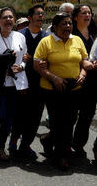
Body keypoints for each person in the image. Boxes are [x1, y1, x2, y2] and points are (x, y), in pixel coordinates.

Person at [34, 12, 90, 170]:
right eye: (64, 24)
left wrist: (83, 74)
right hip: (52, 89)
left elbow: (84, 60)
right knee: (58, 123)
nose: (67, 27)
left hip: (74, 88)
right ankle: (62, 156)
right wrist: (54, 78)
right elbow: (37, 65)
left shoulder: (77, 40)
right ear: (56, 26)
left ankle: (47, 140)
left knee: (70, 121)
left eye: (69, 24)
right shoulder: (46, 42)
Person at [0, 7, 28, 160]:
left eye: (11, 17)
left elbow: (24, 56)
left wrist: (21, 67)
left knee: (8, 119)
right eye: (5, 17)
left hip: (14, 85)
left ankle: (1, 147)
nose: (9, 20)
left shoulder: (20, 37)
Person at [13, 4, 48, 159]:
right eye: (38, 14)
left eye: (42, 14)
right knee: (19, 115)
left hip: (39, 84)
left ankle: (25, 145)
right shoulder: (19, 35)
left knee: (35, 117)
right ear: (29, 18)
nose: (41, 16)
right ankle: (13, 144)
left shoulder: (47, 38)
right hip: (20, 83)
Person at [71, 4, 96, 157]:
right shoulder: (71, 34)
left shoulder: (93, 33)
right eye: (83, 13)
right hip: (75, 79)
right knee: (71, 115)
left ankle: (78, 144)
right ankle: (51, 139)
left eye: (89, 13)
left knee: (87, 114)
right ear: (75, 17)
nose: (87, 15)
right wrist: (84, 64)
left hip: (92, 81)